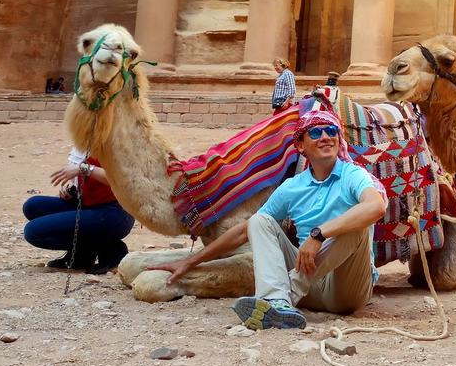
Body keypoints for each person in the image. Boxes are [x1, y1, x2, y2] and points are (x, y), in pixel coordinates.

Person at [147, 101, 386, 329]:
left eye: (331, 130)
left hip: (346, 290)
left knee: (357, 222)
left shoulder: (353, 174)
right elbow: (243, 231)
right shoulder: (292, 187)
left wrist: (319, 234)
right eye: (315, 133)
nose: (325, 137)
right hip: (310, 286)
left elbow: (376, 207)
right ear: (301, 147)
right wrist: (189, 262)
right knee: (260, 220)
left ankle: (285, 294)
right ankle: (276, 302)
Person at [22, 150, 135, 274]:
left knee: (33, 232)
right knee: (33, 206)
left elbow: (121, 179)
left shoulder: (114, 139)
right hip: (89, 205)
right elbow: (83, 178)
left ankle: (109, 250)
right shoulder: (84, 141)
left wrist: (86, 169)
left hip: (115, 212)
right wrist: (71, 190)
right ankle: (82, 255)